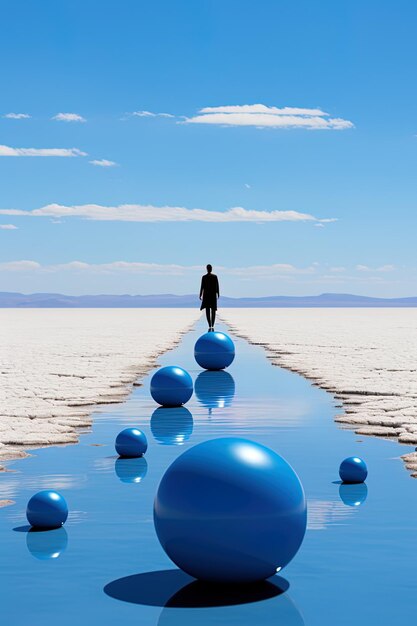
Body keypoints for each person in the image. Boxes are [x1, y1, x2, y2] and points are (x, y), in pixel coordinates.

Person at [199, 264, 219, 331]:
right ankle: (210, 325)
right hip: (209, 296)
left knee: (212, 310)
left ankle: (211, 325)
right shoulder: (205, 277)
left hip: (209, 296)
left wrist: (218, 293)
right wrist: (200, 294)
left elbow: (217, 286)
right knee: (209, 310)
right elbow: (202, 286)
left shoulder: (213, 277)